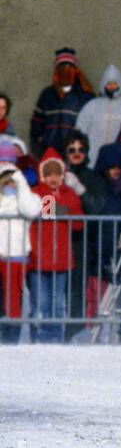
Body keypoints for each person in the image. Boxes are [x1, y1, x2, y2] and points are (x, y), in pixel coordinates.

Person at [28, 150, 85, 343]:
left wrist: (65, 212)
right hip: (39, 258)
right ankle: (40, 335)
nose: (53, 178)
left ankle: (55, 336)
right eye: (49, 173)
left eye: (57, 173)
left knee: (57, 302)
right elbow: (36, 211)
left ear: (63, 174)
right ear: (43, 174)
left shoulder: (70, 194)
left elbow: (79, 223)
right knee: (41, 301)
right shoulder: (35, 192)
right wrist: (57, 210)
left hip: (61, 259)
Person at [59, 131, 105, 333]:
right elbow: (47, 208)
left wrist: (80, 190)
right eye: (72, 150)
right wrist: (64, 211)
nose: (76, 154)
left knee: (77, 288)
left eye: (81, 150)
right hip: (58, 240)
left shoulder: (93, 177)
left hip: (82, 241)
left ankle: (74, 330)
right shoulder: (56, 175)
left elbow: (97, 207)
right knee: (57, 289)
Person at [0, 145, 41, 343]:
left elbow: (31, 210)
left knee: (13, 302)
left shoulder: (28, 195)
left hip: (16, 256)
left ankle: (11, 340)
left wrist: (20, 182)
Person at [30, 48, 94, 156]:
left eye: (69, 67)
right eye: (62, 67)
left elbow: (91, 128)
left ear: (75, 70)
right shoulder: (47, 94)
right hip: (49, 152)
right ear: (56, 70)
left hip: (74, 154)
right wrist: (41, 143)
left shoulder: (85, 96)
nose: (66, 70)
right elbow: (36, 124)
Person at [75, 65, 121, 163]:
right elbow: (80, 129)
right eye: (108, 83)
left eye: (115, 83)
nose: (112, 86)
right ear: (103, 84)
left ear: (120, 84)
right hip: (93, 158)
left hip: (120, 160)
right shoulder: (92, 105)